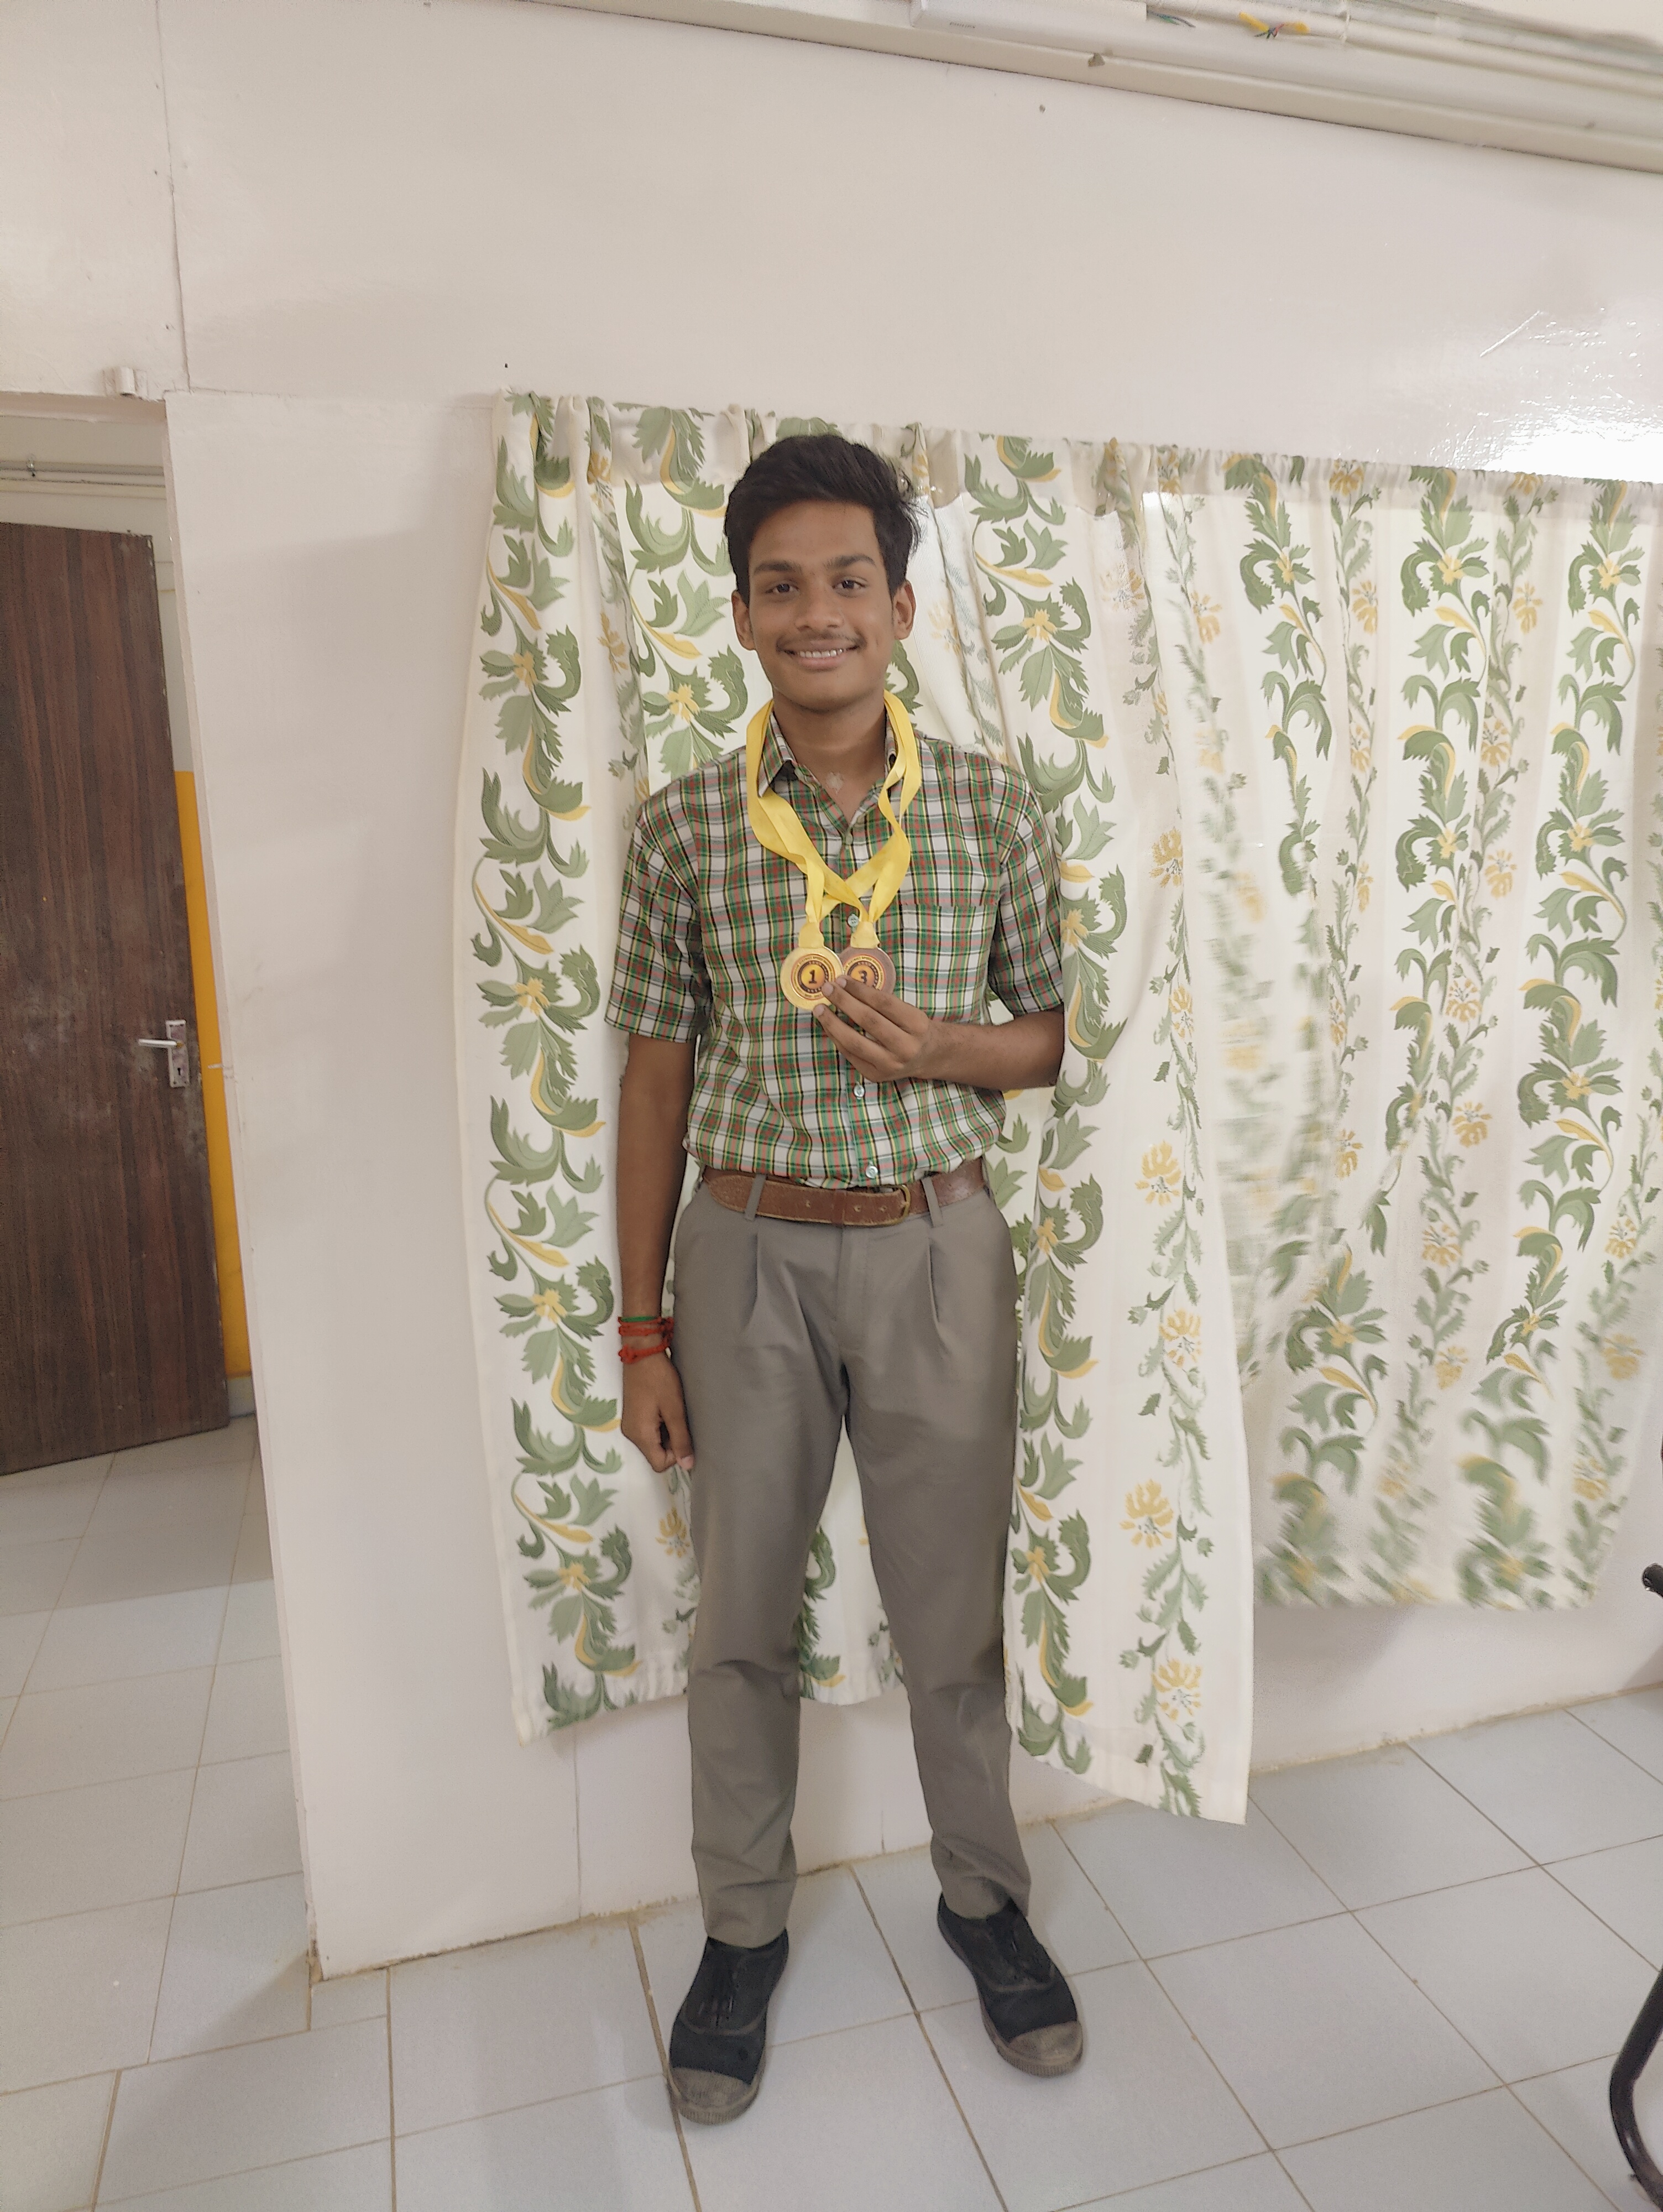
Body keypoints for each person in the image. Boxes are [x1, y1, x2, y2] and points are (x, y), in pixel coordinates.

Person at [606, 433, 1079, 2125]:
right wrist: (642, 1327)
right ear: (743, 614)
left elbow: (1054, 1035)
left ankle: (985, 1903)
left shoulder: (994, 807)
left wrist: (944, 1047)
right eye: (783, 585)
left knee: (953, 1610)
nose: (820, 612)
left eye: (851, 580)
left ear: (901, 603)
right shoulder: (685, 828)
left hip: (939, 1246)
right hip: (743, 1255)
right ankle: (742, 1931)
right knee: (740, 1616)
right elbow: (654, 1079)